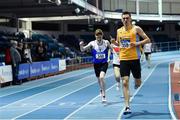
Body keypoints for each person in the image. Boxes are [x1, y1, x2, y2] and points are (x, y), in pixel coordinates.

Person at [112, 11, 150, 114]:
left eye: (127, 18)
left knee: (138, 82)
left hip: (134, 59)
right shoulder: (119, 31)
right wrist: (114, 43)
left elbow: (147, 40)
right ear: (121, 19)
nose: (125, 20)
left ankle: (137, 82)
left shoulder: (136, 29)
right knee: (124, 82)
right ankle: (127, 106)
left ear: (130, 18)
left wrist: (137, 43)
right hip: (123, 59)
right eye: (123, 18)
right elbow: (119, 43)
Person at [79, 29, 115, 103]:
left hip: (104, 63)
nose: (98, 36)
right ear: (95, 36)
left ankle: (104, 95)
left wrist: (108, 57)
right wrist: (81, 45)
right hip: (96, 64)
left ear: (102, 35)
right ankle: (101, 89)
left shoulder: (106, 42)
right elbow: (82, 50)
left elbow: (111, 49)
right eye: (97, 35)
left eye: (100, 35)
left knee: (102, 77)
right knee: (99, 80)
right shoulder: (92, 43)